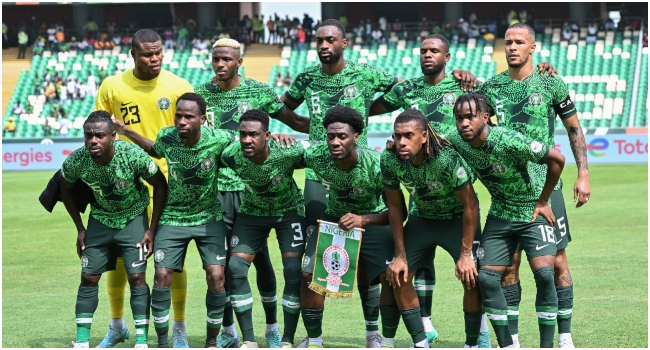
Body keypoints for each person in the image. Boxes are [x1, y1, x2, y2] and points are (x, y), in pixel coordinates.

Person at [279, 19, 398, 348]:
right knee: (317, 258)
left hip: (357, 168)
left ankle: (372, 332)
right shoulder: (306, 77)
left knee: (365, 262)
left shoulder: (366, 73)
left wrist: (365, 114)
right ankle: (314, 338)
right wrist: (307, 128)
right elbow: (283, 108)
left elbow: (401, 91)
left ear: (344, 42)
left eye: (330, 40)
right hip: (319, 174)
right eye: (319, 40)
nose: (323, 45)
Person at [478, 23, 589, 348]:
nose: (512, 47)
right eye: (507, 42)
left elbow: (574, 129)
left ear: (533, 47)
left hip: (547, 189)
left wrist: (583, 173)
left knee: (556, 263)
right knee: (508, 267)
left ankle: (564, 337)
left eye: (519, 42)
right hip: (509, 192)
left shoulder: (550, 82)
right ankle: (511, 340)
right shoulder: (490, 88)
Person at [194, 38, 309, 348]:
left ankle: (272, 328)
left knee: (261, 261)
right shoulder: (201, 96)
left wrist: (295, 135)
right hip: (217, 190)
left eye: (226, 59)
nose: (220, 64)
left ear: (239, 62)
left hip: (253, 190)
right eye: (215, 59)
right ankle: (231, 332)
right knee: (227, 263)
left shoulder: (259, 91)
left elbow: (291, 120)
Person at [94, 28, 194, 348]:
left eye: (159, 53)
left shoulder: (179, 86)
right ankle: (117, 324)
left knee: (171, 259)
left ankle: (178, 327)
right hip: (127, 186)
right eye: (148, 54)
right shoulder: (112, 87)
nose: (155, 59)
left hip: (171, 184)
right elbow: (99, 130)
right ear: (133, 54)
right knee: (122, 258)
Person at [113, 93, 233, 348]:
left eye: (189, 117)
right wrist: (125, 131)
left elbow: (248, 145)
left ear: (202, 119)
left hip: (208, 217)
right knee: (162, 274)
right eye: (178, 115)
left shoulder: (220, 138)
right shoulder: (167, 136)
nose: (181, 121)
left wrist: (274, 137)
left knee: (216, 276)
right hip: (173, 216)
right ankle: (164, 343)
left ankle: (212, 341)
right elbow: (152, 149)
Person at [447, 93, 566, 348]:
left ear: (485, 118)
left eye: (470, 117)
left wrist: (544, 200)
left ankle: (548, 346)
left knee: (545, 274)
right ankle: (508, 345)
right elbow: (429, 139)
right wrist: (392, 144)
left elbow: (557, 159)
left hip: (531, 212)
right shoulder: (456, 138)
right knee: (487, 279)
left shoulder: (509, 140)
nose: (464, 123)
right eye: (459, 118)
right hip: (500, 214)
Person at [60, 111, 167, 348]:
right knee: (88, 277)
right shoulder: (77, 160)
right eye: (88, 136)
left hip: (133, 218)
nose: (93, 141)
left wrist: (152, 228)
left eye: (99, 135)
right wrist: (80, 228)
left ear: (113, 136)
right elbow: (64, 188)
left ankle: (141, 341)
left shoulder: (132, 154)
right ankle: (81, 342)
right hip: (100, 219)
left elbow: (160, 183)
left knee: (137, 277)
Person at [381, 109, 483, 348]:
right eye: (397, 136)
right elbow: (395, 207)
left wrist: (466, 254)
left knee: (472, 278)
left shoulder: (446, 159)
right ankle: (420, 342)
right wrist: (400, 255)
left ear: (424, 136)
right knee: (399, 275)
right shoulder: (389, 158)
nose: (402, 142)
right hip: (422, 219)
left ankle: (472, 343)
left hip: (457, 220)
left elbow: (471, 205)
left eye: (408, 135)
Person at [300, 106, 400, 348]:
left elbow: (399, 212)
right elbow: (286, 156)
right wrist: (282, 140)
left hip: (374, 219)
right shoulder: (316, 156)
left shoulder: (377, 164)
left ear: (355, 137)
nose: (335, 142)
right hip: (334, 221)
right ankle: (314, 340)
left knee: (389, 276)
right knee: (307, 274)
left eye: (342, 136)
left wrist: (362, 219)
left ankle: (377, 337)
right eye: (330, 136)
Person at [221, 109, 306, 348]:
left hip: (288, 212)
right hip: (252, 213)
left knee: (292, 269)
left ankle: (285, 337)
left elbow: (321, 158)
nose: (247, 139)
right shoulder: (231, 155)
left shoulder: (288, 151)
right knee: (235, 267)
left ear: (267, 135)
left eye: (254, 134)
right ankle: (248, 339)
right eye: (243, 134)